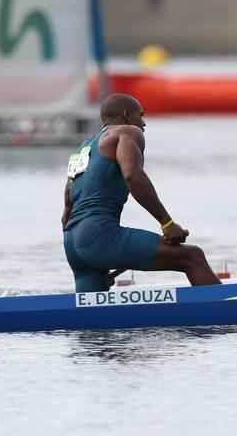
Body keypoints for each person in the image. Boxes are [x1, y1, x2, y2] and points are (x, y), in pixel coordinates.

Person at [62, 93, 221, 292]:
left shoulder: (83, 149)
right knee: (192, 256)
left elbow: (67, 204)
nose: (143, 123)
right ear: (127, 115)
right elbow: (133, 177)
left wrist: (96, 253)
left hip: (72, 244)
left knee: (92, 317)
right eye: (141, 115)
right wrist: (168, 224)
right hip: (98, 236)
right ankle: (232, 312)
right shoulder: (127, 133)